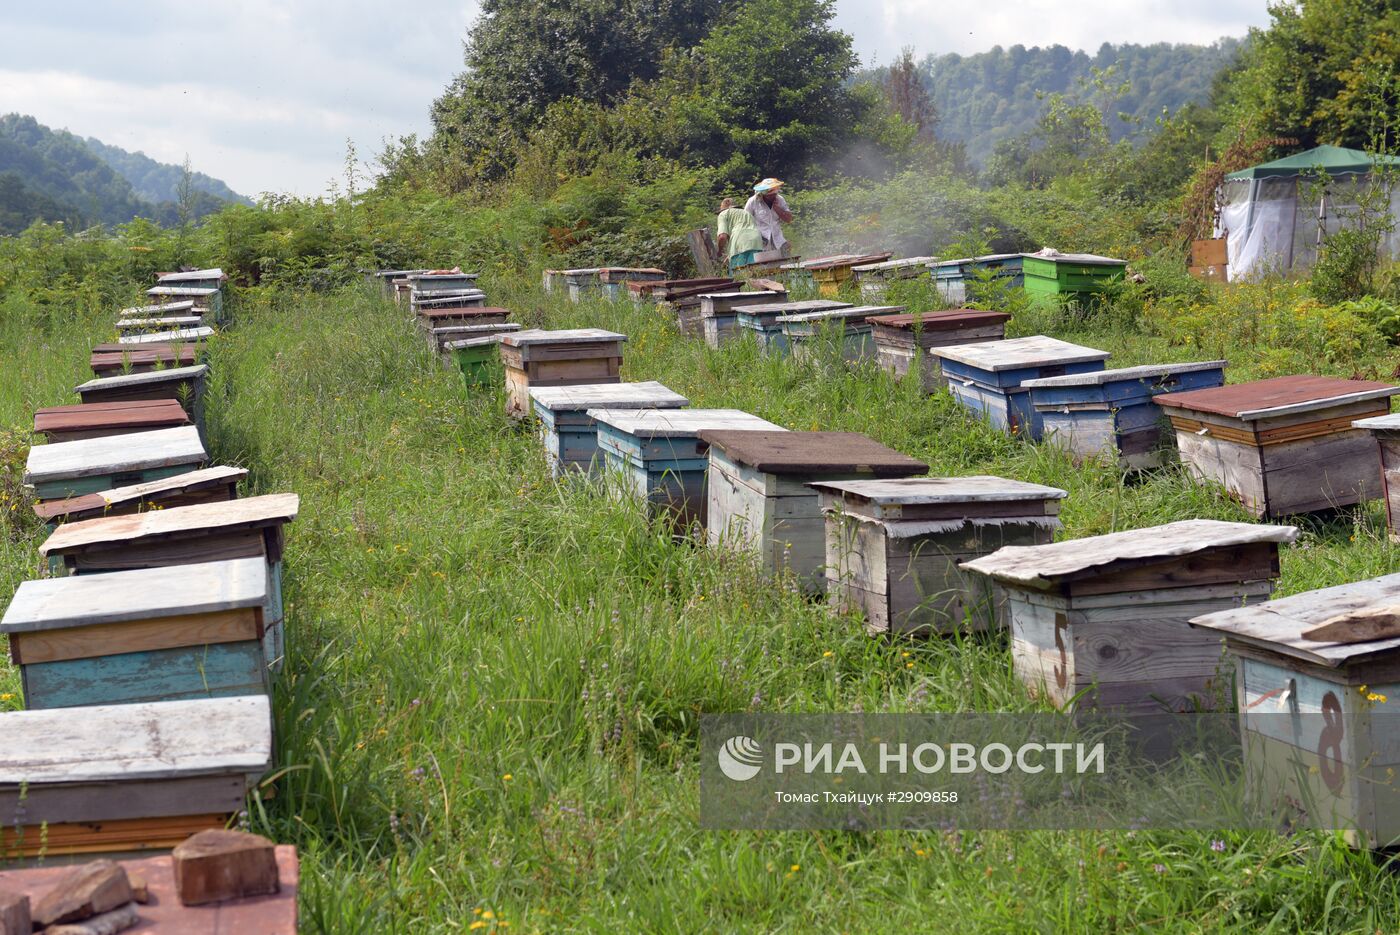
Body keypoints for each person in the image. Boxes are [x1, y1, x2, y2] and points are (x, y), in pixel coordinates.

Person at [744, 178, 793, 256]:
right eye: (770, 196)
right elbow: (745, 222)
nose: (773, 197)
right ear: (764, 194)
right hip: (760, 243)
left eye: (774, 195)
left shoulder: (780, 199)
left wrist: (777, 209)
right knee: (763, 266)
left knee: (784, 265)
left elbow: (789, 219)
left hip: (779, 241)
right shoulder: (752, 201)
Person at [715, 197, 765, 271]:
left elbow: (722, 237)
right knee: (755, 273)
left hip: (739, 242)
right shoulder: (746, 213)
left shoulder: (723, 214)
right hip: (756, 241)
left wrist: (719, 251)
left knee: (738, 274)